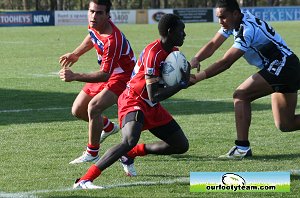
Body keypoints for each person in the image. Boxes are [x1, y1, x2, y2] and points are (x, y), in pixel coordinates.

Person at [73, 13, 191, 189]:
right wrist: (181, 84)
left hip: (150, 104)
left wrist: (184, 75)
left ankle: (131, 154)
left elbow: (162, 85)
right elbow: (154, 95)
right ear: (170, 31)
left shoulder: (173, 51)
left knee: (181, 145)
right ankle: (85, 179)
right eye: (181, 30)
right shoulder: (154, 53)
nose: (184, 34)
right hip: (133, 100)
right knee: (128, 140)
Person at [190, 0, 300, 159]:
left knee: (241, 95)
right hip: (285, 66)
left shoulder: (246, 29)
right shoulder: (234, 22)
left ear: (235, 13)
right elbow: (213, 44)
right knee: (286, 124)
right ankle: (242, 149)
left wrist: (197, 78)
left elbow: (226, 62)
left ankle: (242, 148)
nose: (220, 21)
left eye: (223, 17)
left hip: (283, 67)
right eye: (218, 17)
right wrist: (195, 59)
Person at [59, 0, 136, 164]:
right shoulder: (95, 25)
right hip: (109, 72)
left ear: (108, 16)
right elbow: (92, 37)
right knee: (77, 110)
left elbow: (105, 75)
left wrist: (74, 76)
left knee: (93, 107)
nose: (94, 16)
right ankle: (108, 127)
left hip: (123, 76)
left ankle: (92, 153)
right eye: (91, 11)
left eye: (99, 13)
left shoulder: (112, 40)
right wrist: (76, 54)